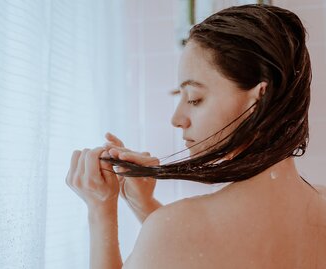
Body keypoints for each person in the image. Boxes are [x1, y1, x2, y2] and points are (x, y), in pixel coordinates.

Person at [65, 4, 326, 268]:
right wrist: (143, 203)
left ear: (257, 100)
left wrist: (101, 211)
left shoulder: (174, 228)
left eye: (194, 99)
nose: (176, 120)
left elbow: (188, 244)